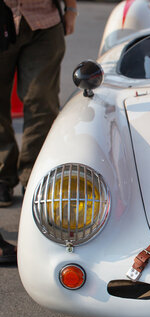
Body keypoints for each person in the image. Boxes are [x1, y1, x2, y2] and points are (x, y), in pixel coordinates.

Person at [0, 0, 77, 207]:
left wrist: (71, 9)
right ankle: (2, 174)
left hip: (43, 20)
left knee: (42, 100)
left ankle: (34, 175)